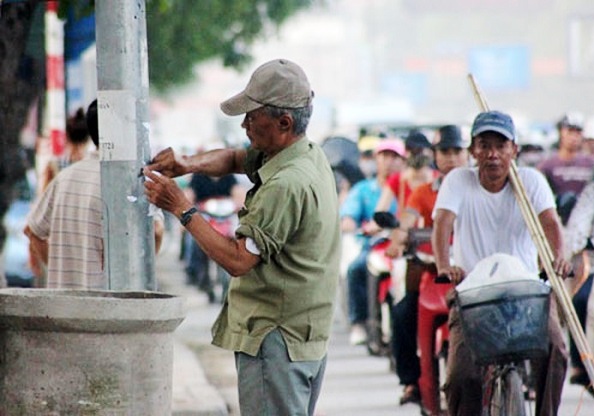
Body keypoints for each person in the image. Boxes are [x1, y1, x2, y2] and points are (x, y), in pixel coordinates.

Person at [143, 58, 341, 416]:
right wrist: (188, 163)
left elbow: (238, 260)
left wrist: (181, 208)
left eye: (252, 116)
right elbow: (236, 158)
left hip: (277, 336)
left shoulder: (285, 184)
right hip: (302, 335)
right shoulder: (305, 155)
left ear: (284, 123)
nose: (245, 123)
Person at [432, 111, 571, 415]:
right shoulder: (458, 181)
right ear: (473, 151)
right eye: (484, 145)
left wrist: (557, 258)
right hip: (473, 293)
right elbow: (442, 224)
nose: (493, 154)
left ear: (514, 150)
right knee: (460, 377)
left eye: (501, 145)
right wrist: (445, 265)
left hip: (525, 294)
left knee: (557, 352)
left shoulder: (531, 180)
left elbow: (550, 223)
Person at [24, 100, 164, 289]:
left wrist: (62, 270)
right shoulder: (134, 183)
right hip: (112, 308)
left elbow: (32, 230)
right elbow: (157, 231)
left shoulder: (64, 178)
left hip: (64, 307)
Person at [387, 125, 470, 408]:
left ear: (467, 153)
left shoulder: (478, 187)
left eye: (457, 151)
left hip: (473, 274)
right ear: (435, 155)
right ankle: (412, 380)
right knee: (401, 314)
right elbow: (407, 219)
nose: (451, 157)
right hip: (433, 273)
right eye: (444, 151)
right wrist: (397, 240)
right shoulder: (422, 192)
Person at [340, 139, 405, 345]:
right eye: (384, 156)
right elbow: (348, 217)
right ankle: (359, 321)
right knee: (356, 269)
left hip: (404, 246)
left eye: (394, 156)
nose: (389, 161)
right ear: (376, 159)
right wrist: (352, 224)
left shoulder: (407, 185)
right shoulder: (362, 189)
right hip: (375, 245)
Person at [564, 162, 594, 400]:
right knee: (582, 299)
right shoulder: (593, 193)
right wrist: (578, 247)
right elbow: (576, 228)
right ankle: (582, 364)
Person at [183, 168, 245, 302]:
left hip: (225, 216)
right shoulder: (198, 177)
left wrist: (240, 204)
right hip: (204, 216)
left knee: (239, 235)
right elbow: (189, 195)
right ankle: (192, 270)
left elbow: (238, 194)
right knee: (192, 240)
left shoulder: (229, 176)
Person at [537, 112, 594, 224]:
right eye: (570, 131)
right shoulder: (548, 165)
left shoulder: (593, 165)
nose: (574, 137)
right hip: (558, 219)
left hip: (586, 222)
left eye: (578, 132)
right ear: (561, 133)